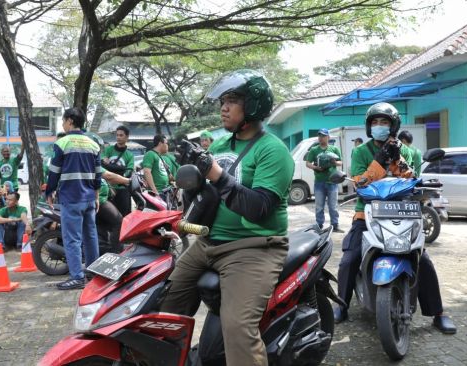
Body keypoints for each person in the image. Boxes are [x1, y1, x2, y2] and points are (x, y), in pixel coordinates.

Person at [161, 69, 294, 366]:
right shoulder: (220, 146)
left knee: (237, 328)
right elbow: (203, 196)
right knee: (164, 302)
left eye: (233, 100)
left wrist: (216, 175)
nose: (224, 107)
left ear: (254, 105)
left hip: (253, 247)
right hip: (207, 243)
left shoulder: (273, 150)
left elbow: (259, 208)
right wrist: (191, 178)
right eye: (223, 100)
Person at [334, 102, 456, 334]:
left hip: (404, 212)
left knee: (424, 261)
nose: (379, 126)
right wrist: (380, 160)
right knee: (349, 259)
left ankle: (438, 313)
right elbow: (360, 182)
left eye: (385, 122)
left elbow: (413, 180)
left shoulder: (408, 151)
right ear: (369, 127)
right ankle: (341, 305)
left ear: (393, 126)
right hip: (368, 213)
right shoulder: (361, 152)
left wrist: (398, 159)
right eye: (375, 122)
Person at [45, 107, 101, 290]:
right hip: (89, 199)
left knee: (72, 239)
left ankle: (77, 277)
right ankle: (93, 273)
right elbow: (98, 174)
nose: (63, 124)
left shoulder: (62, 143)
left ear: (70, 121)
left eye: (63, 121)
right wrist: (97, 195)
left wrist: (49, 192)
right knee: (90, 236)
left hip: (71, 198)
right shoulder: (93, 144)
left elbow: (54, 172)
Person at [305, 129, 343, 232]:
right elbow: (307, 163)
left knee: (333, 206)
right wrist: (315, 168)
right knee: (319, 206)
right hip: (319, 182)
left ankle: (335, 225)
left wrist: (334, 162)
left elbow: (340, 162)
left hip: (332, 182)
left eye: (323, 136)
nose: (321, 138)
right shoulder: (314, 150)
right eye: (320, 136)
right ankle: (319, 226)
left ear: (328, 137)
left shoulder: (334, 149)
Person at [101, 126, 134, 216]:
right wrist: (121, 169)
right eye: (117, 135)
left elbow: (128, 173)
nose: (118, 137)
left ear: (127, 137)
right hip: (108, 189)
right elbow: (102, 165)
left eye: (121, 135)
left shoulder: (130, 155)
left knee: (124, 216)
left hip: (123, 190)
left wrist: (110, 167)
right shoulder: (108, 149)